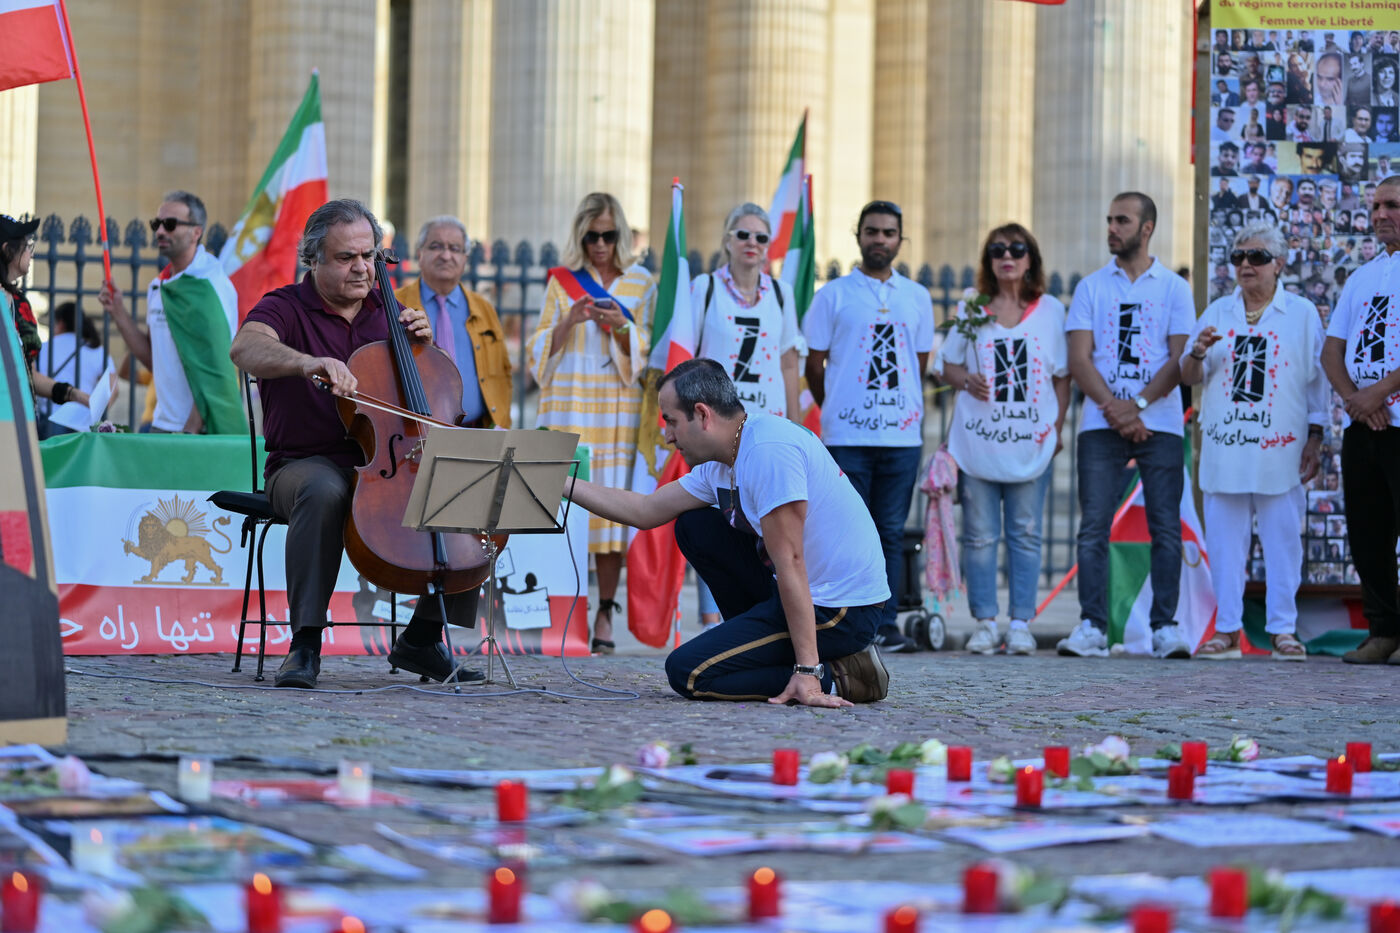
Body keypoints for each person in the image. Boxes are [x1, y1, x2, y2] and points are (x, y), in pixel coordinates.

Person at [229, 198, 485, 689]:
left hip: (389, 465)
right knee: (324, 490)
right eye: (346, 257)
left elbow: (433, 394)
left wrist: (425, 346)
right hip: (302, 465)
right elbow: (245, 348)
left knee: (468, 486)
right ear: (314, 259)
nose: (362, 268)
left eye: (368, 256)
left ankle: (422, 637)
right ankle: (305, 643)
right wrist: (306, 362)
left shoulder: (391, 314)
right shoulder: (284, 307)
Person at [564, 358, 890, 706]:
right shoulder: (723, 461)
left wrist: (808, 671)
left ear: (702, 414)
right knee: (695, 526)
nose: (668, 436)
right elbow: (643, 511)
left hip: (842, 609)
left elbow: (792, 561)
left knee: (688, 671)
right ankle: (758, 646)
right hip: (802, 594)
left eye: (671, 421)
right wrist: (559, 483)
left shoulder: (767, 451)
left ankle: (839, 676)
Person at [1180, 223, 1326, 661]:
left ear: (1278, 263)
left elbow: (1317, 384)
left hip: (1280, 450)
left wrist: (1316, 436)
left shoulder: (1301, 314)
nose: (1246, 264)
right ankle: (1227, 629)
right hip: (1226, 449)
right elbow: (1188, 376)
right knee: (1225, 544)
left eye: (1256, 257)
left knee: (1284, 542)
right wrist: (1198, 351)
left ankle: (1283, 630)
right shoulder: (1217, 312)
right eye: (1239, 257)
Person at [1060, 192, 1194, 659]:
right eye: (1110, 219)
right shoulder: (1091, 287)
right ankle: (1092, 625)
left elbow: (1179, 359)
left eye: (1122, 220)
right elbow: (1079, 358)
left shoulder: (1174, 288)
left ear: (1147, 228)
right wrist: (1115, 408)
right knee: (1093, 527)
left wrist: (1136, 405)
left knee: (1166, 528)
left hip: (1161, 424)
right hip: (1100, 424)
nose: (1112, 228)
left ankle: (1165, 627)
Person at [803, 200, 934, 655]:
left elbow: (919, 363)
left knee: (891, 531)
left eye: (888, 232)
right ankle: (849, 623)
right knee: (847, 530)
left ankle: (887, 622)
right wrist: (837, 406)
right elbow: (814, 365)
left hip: (901, 436)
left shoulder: (917, 297)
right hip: (847, 435)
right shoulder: (832, 295)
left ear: (900, 239)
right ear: (858, 235)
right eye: (872, 231)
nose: (880, 239)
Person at [527, 192, 654, 655]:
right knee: (563, 504)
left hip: (617, 407)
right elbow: (538, 349)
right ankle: (566, 609)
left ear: (621, 235)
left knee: (611, 509)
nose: (600, 245)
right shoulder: (562, 281)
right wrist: (571, 320)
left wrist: (621, 326)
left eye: (608, 235)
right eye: (591, 237)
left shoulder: (642, 283)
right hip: (569, 402)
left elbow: (648, 347)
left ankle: (604, 609)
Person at [933, 224, 1068, 656]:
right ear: (988, 260)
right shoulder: (973, 308)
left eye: (1016, 249)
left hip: (1030, 443)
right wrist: (965, 380)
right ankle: (986, 623)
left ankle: (1022, 623)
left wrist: (1057, 427)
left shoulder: (1051, 310)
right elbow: (945, 365)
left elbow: (1062, 377)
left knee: (1026, 533)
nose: (1006, 256)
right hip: (979, 443)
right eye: (997, 250)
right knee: (979, 536)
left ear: (1031, 259)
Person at [685, 202, 803, 629]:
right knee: (715, 516)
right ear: (727, 240)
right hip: (715, 427)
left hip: (766, 427)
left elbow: (788, 362)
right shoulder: (704, 289)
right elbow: (688, 356)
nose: (752, 243)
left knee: (764, 518)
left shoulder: (781, 293)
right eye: (743, 235)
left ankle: (760, 614)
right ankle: (713, 616)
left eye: (760, 237)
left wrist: (795, 423)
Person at [1321, 175, 1400, 665]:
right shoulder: (1362, 277)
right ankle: (1384, 631)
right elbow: (1332, 351)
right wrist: (1357, 400)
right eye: (1375, 207)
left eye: (1392, 205)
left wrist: (1380, 391)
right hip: (1365, 425)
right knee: (1368, 531)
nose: (1380, 215)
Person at [98, 191, 242, 434]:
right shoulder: (159, 286)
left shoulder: (211, 284)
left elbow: (216, 366)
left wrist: (191, 428)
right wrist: (119, 312)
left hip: (202, 430)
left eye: (170, 224)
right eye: (157, 224)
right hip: (162, 423)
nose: (160, 231)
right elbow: (154, 360)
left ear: (196, 232)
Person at [392, 216, 512, 428]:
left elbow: (504, 372)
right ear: (420, 254)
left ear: (465, 258)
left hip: (478, 430)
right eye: (436, 246)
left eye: (454, 248)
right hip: (415, 432)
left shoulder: (484, 309)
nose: (446, 255)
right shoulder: (395, 304)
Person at [2, 214, 91, 424]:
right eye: (27, 246)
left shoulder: (19, 303)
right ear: (7, 250)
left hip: (20, 420)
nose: (31, 253)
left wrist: (72, 394)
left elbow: (27, 372)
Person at [38, 301, 105, 422]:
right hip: (84, 417)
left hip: (52, 416)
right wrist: (97, 409)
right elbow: (112, 388)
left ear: (60, 323)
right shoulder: (96, 349)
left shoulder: (43, 348)